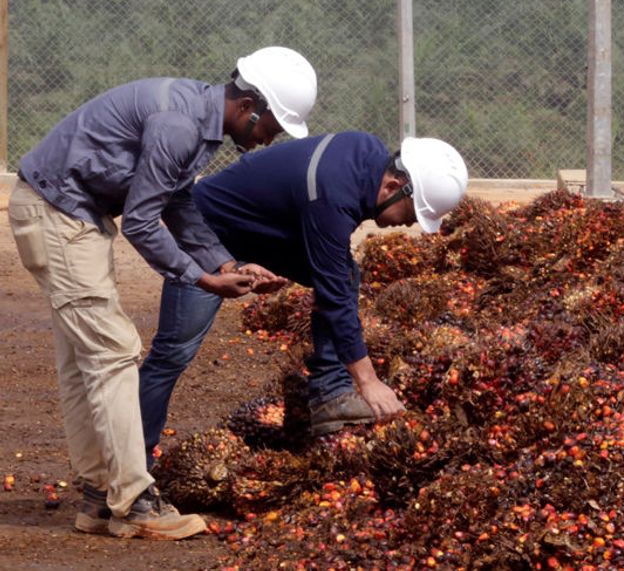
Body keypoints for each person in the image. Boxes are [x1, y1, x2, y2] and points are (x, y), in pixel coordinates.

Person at [7, 46, 318, 540]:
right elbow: (143, 221)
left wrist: (225, 262)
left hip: (69, 214)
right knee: (112, 353)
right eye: (271, 126)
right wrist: (200, 279)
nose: (268, 138)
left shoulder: (196, 120)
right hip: (57, 213)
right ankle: (134, 500)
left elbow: (177, 203)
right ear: (248, 106)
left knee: (85, 358)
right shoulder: (180, 125)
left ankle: (99, 498)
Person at [139, 131, 468, 466]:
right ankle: (134, 463)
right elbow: (334, 294)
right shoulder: (333, 196)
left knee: (346, 273)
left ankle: (329, 390)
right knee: (173, 352)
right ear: (394, 187)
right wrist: (368, 382)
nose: (413, 222)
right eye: (415, 211)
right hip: (209, 231)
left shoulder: (365, 154)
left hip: (262, 228)